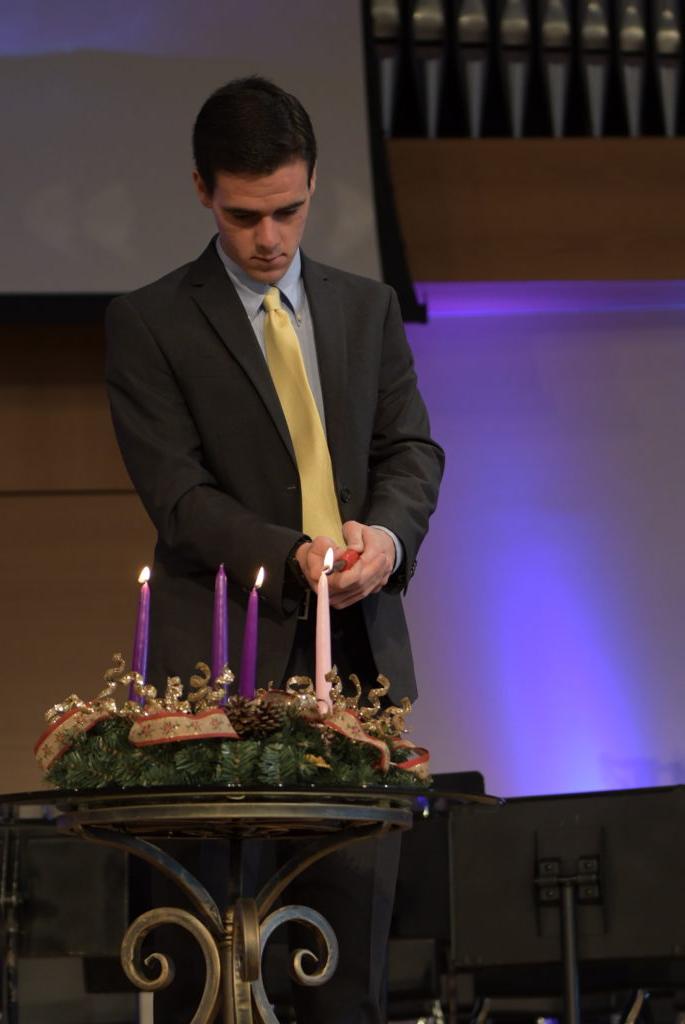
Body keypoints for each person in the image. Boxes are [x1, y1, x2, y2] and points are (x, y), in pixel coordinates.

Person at [106, 76, 444, 1024]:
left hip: (360, 669)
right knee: (212, 972)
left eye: (289, 210)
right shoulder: (149, 322)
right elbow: (178, 497)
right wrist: (293, 550)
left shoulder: (366, 307)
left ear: (312, 188)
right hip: (216, 678)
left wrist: (384, 536)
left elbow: (410, 450)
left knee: (342, 983)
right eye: (247, 214)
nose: (270, 238)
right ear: (201, 190)